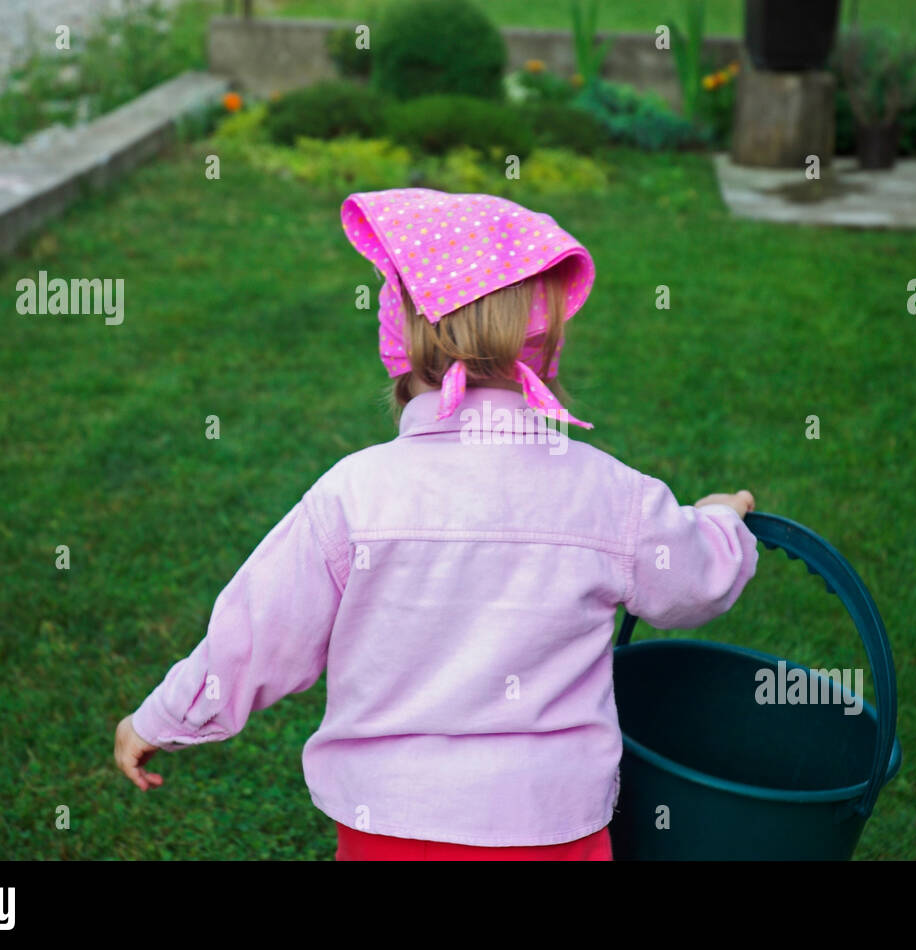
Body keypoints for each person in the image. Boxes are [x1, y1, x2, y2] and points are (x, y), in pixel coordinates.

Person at [113, 188, 757, 860]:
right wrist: (719, 519)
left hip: (389, 823)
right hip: (551, 826)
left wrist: (162, 717)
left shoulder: (355, 496)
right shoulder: (606, 493)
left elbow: (256, 633)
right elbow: (695, 582)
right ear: (542, 346)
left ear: (400, 338)